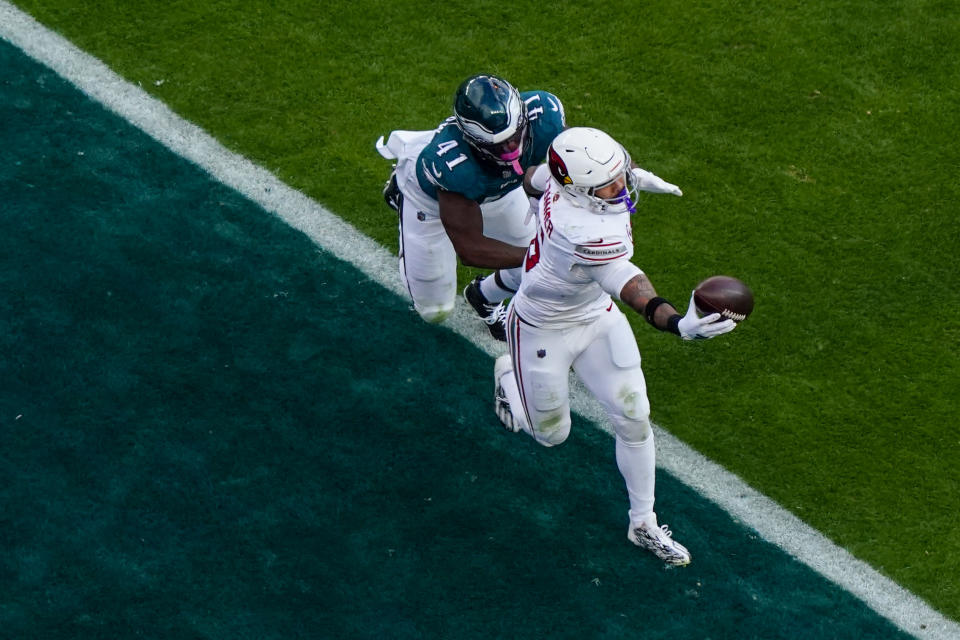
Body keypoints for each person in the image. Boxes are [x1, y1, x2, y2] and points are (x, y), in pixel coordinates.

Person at [493, 127, 736, 566]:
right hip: (541, 327)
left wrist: (634, 176)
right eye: (610, 184)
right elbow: (628, 284)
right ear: (579, 191)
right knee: (550, 437)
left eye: (620, 174)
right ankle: (507, 374)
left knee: (634, 414)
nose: (620, 187)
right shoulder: (586, 231)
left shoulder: (560, 178)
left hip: (592, 315)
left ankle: (643, 522)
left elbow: (534, 178)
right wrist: (678, 323)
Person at [375, 74, 566, 340]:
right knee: (435, 310)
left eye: (516, 134)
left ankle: (483, 297)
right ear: (474, 139)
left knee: (530, 256)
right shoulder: (453, 166)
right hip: (431, 198)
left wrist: (622, 175)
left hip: (498, 187)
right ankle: (401, 184)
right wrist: (542, 256)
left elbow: (579, 159)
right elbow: (470, 249)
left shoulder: (544, 114)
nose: (512, 146)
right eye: (499, 144)